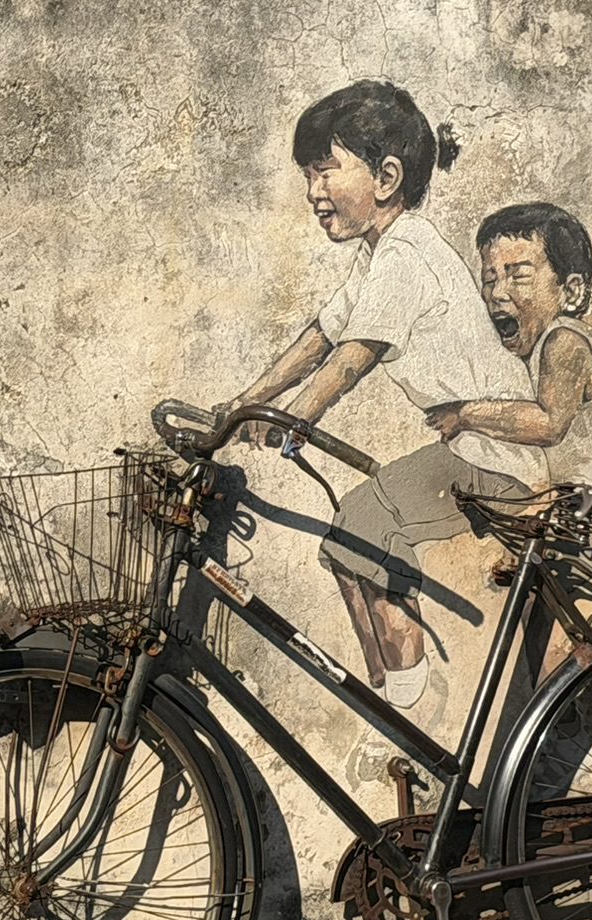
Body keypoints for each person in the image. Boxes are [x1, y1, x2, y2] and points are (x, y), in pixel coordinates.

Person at [212, 82, 545, 708]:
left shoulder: (410, 252)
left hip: (493, 454)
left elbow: (353, 357)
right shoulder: (377, 256)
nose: (314, 192)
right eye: (309, 176)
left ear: (386, 177)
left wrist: (296, 415)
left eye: (325, 171)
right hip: (470, 451)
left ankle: (417, 694)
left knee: (365, 524)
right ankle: (391, 692)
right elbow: (320, 336)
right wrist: (242, 404)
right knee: (346, 545)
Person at [425, 201, 592, 565]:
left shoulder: (565, 339)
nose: (497, 293)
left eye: (519, 275)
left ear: (570, 292)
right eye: (490, 278)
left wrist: (464, 415)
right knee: (534, 600)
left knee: (538, 579)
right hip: (586, 508)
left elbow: (548, 423)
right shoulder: (528, 355)